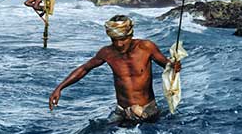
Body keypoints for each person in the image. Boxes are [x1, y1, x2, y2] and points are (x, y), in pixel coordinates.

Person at [49, 15, 182, 127]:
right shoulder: (107, 53)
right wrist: (59, 88)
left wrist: (173, 65)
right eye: (114, 40)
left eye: (123, 39)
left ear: (131, 35)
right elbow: (84, 68)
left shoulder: (146, 47)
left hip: (147, 110)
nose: (119, 44)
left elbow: (167, 65)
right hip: (121, 112)